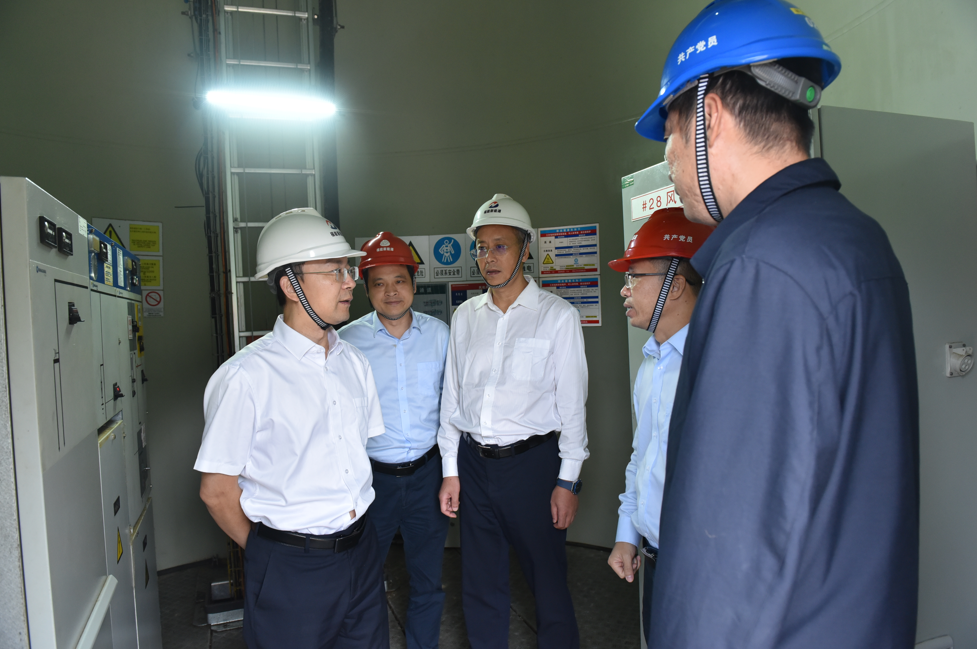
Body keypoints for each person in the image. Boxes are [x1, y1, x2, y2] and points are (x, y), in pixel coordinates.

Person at [633, 2, 919, 647]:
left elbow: (731, 547)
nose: (670, 159)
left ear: (708, 116)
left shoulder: (763, 264)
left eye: (670, 132)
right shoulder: (854, 237)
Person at [194, 208, 389, 649]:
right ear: (290, 285)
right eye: (335, 270)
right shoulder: (245, 377)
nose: (350, 282)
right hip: (290, 567)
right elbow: (216, 492)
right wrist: (273, 556)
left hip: (362, 553)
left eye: (349, 269)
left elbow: (354, 455)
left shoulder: (354, 363)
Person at [437, 194, 589, 648]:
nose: (489, 258)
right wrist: (450, 470)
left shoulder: (557, 317)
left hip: (533, 467)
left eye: (500, 246)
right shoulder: (465, 316)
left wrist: (568, 480)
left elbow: (573, 405)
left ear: (525, 249)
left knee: (548, 580)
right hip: (474, 465)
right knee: (480, 581)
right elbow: (452, 398)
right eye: (481, 247)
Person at [338, 232, 451, 649]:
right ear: (366, 290)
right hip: (372, 481)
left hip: (428, 476)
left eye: (399, 281)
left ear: (414, 285)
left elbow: (454, 407)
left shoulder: (440, 336)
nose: (391, 292)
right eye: (379, 283)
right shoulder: (347, 342)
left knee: (428, 579)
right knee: (363, 581)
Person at [605, 208, 712, 640]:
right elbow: (643, 455)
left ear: (676, 285)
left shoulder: (719, 363)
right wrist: (627, 533)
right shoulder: (652, 361)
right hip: (655, 558)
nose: (624, 289)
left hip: (705, 567)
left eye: (635, 277)